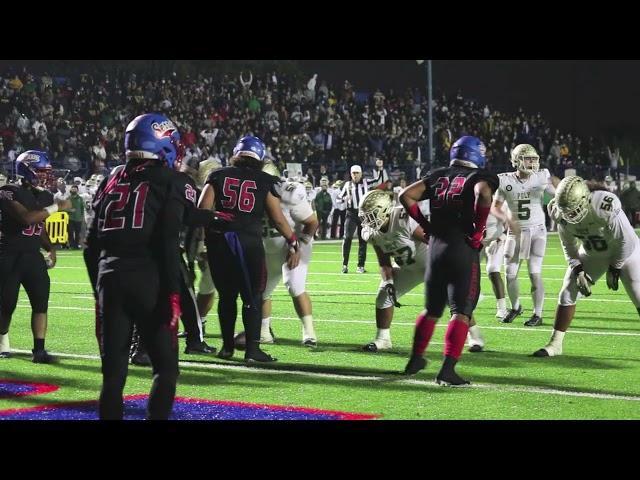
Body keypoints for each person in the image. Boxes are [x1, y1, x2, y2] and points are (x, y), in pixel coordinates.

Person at [84, 113, 217, 420]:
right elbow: (168, 242)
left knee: (113, 377)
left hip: (110, 278)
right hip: (150, 280)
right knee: (166, 370)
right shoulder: (173, 180)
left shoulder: (111, 177)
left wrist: (98, 291)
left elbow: (90, 245)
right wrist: (172, 294)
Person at [399, 136, 498, 385]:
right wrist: (479, 229)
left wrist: (425, 224)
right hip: (462, 248)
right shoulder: (479, 177)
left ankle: (416, 357)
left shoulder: (438, 175)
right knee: (462, 310)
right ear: (476, 154)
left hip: (435, 248)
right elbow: (483, 192)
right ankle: (448, 369)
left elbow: (406, 195)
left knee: (432, 310)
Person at [198, 135, 300, 362]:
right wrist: (293, 240)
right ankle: (253, 351)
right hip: (247, 243)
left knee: (226, 297)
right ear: (260, 157)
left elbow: (202, 211)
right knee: (252, 297)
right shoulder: (264, 180)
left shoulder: (218, 175)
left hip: (219, 242)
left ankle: (226, 348)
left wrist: (208, 240)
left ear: (237, 154)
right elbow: (278, 219)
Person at [533, 176, 640, 357]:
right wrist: (577, 268)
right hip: (593, 253)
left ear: (585, 199)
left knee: (638, 294)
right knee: (567, 291)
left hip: (625, 252)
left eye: (573, 210)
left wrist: (616, 268)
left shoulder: (603, 205)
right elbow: (568, 245)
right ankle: (555, 344)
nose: (570, 215)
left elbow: (626, 240)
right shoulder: (561, 212)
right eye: (566, 211)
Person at [0, 150, 71, 362]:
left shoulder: (44, 195)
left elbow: (39, 227)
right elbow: (26, 219)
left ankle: (39, 350)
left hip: (32, 255)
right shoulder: (7, 191)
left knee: (41, 302)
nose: (46, 176)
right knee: (6, 304)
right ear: (27, 170)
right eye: (41, 171)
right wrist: (57, 207)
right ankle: (2, 339)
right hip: (8, 255)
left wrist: (50, 248)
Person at [491, 144, 559, 326]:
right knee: (510, 273)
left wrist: (560, 193)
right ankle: (516, 307)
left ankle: (538, 314)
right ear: (516, 160)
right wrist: (506, 218)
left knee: (534, 273)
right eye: (528, 158)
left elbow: (555, 193)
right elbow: (495, 207)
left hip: (537, 231)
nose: (532, 162)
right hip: (515, 233)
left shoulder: (541, 176)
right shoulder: (505, 181)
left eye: (534, 158)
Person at [259, 162, 319, 346]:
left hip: (293, 247)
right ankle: (263, 332)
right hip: (268, 248)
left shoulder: (289, 194)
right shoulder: (250, 194)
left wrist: (298, 247)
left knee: (294, 285)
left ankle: (309, 333)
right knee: (262, 291)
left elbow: (312, 222)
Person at [338, 163, 384, 273]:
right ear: (350, 174)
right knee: (347, 237)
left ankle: (360, 266)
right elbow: (338, 199)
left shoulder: (366, 182)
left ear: (361, 174)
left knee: (363, 239)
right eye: (353, 173)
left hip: (363, 214)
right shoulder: (347, 185)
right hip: (351, 214)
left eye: (357, 173)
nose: (355, 175)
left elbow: (379, 180)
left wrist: (380, 168)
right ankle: (344, 265)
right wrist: (345, 198)